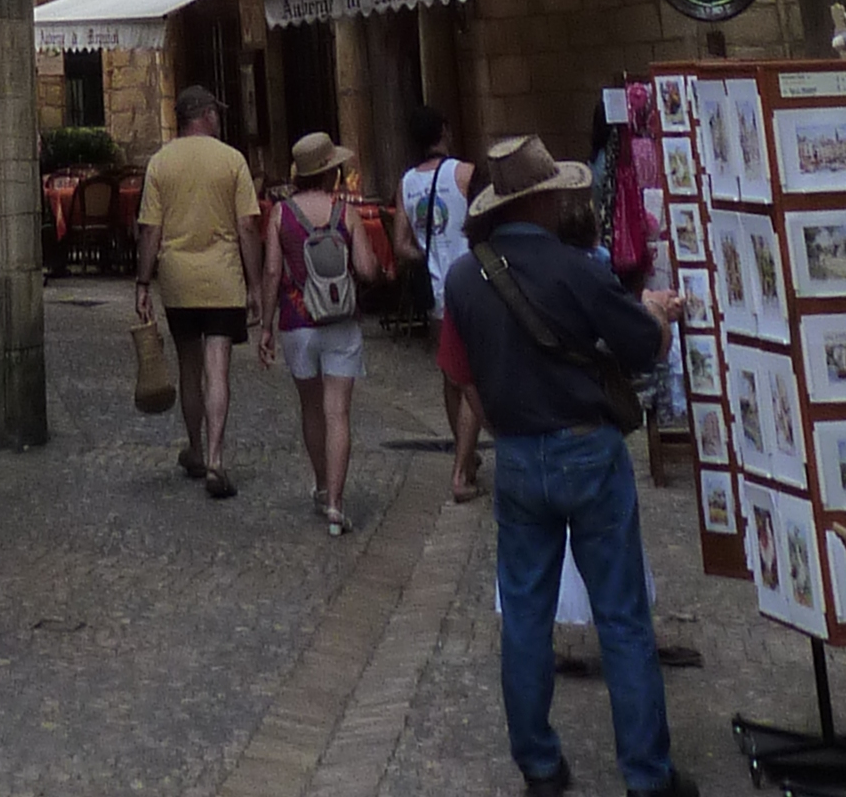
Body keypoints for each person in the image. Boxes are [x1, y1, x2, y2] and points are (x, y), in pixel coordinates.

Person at [443, 134, 696, 797]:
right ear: (546, 201)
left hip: (520, 455)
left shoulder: (465, 276)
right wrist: (654, 315)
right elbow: (642, 348)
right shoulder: (577, 267)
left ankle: (540, 766)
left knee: (525, 618)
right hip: (588, 447)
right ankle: (647, 775)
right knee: (621, 616)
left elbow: (464, 372)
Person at [134, 83, 267, 499]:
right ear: (206, 114)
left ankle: (194, 447)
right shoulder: (232, 161)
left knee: (190, 369)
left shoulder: (160, 163)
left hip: (178, 279)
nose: (220, 118)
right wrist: (255, 284)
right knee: (218, 369)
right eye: (217, 112)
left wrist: (142, 282)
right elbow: (247, 226)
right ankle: (215, 458)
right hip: (223, 277)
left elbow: (150, 230)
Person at [266, 129, 385, 532]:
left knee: (312, 409)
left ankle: (320, 485)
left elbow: (271, 271)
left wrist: (265, 325)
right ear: (330, 172)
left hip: (297, 322)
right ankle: (336, 503)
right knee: (339, 413)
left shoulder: (280, 215)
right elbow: (368, 269)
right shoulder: (345, 212)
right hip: (341, 321)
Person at [399, 100, 484, 501]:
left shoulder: (405, 184)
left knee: (451, 377)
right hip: (471, 285)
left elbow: (401, 245)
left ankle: (464, 453)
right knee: (475, 381)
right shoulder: (465, 174)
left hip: (436, 291)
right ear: (445, 132)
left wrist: (429, 253)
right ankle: (461, 470)